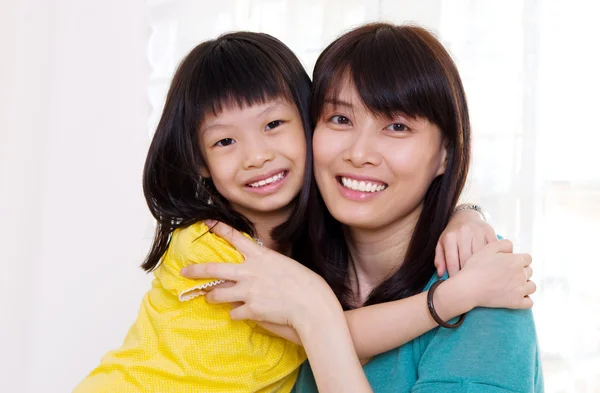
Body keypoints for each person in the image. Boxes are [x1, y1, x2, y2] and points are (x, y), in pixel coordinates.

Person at [181, 23, 543, 393]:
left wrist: (316, 318)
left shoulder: (484, 287)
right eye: (341, 119)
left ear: (445, 154)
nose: (358, 153)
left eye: (397, 126)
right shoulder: (278, 263)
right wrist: (466, 211)